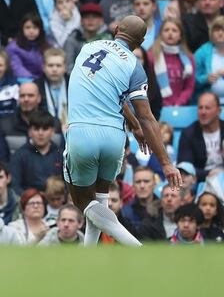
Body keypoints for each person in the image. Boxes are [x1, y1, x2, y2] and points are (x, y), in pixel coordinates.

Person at [65, 14, 181, 246]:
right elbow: (146, 115)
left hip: (82, 133)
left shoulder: (88, 47)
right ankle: (88, 258)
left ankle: (135, 247)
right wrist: (166, 162)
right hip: (114, 138)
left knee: (83, 201)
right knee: (101, 196)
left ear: (116, 29)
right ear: (140, 42)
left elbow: (99, 87)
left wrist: (136, 124)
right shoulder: (134, 67)